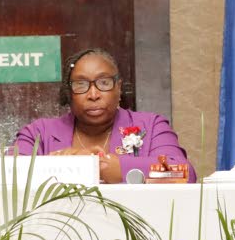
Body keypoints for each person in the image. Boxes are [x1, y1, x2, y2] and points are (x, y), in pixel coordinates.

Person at [13, 48, 195, 183]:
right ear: (69, 92)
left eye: (104, 82)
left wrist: (116, 168)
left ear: (119, 87)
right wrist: (72, 166)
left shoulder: (151, 126)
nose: (93, 94)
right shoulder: (39, 133)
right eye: (81, 84)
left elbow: (184, 174)